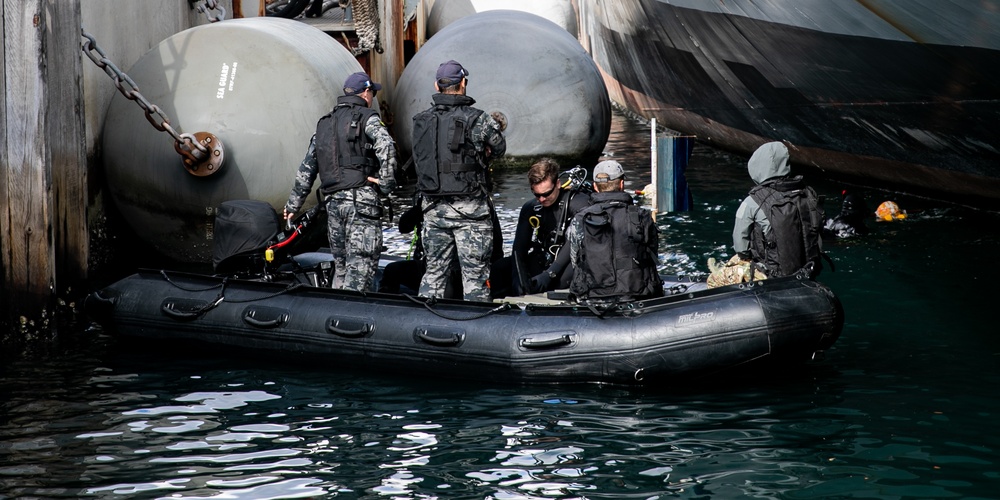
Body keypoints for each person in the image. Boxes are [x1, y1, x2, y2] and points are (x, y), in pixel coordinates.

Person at [283, 71, 397, 291]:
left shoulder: (324, 124)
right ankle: (354, 318)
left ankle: (335, 315)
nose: (372, 96)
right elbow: (387, 148)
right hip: (361, 204)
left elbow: (307, 168)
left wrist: (292, 206)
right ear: (365, 93)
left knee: (342, 267)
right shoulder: (368, 118)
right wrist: (385, 184)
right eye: (372, 92)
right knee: (361, 269)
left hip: (333, 205)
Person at [411, 60, 506, 301]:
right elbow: (499, 147)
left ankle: (425, 326)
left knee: (433, 275)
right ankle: (475, 331)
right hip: (471, 212)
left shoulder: (421, 120)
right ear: (463, 83)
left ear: (437, 85)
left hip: (433, 210)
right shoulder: (478, 119)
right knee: (475, 279)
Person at [490, 158, 592, 297]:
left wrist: (549, 275)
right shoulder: (531, 207)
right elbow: (519, 247)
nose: (542, 199)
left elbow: (575, 242)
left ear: (557, 184)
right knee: (499, 269)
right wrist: (517, 275)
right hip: (543, 257)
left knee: (561, 281)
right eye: (537, 195)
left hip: (569, 261)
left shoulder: (579, 203)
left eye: (546, 194)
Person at [567, 160, 663, 303]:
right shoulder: (642, 216)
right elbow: (653, 253)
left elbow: (575, 259)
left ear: (595, 186)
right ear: (621, 184)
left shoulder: (580, 218)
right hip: (638, 293)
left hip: (591, 296)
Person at [732, 141, 824, 278]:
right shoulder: (808, 193)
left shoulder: (752, 202)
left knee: (724, 274)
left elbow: (741, 247)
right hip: (809, 271)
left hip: (771, 275)